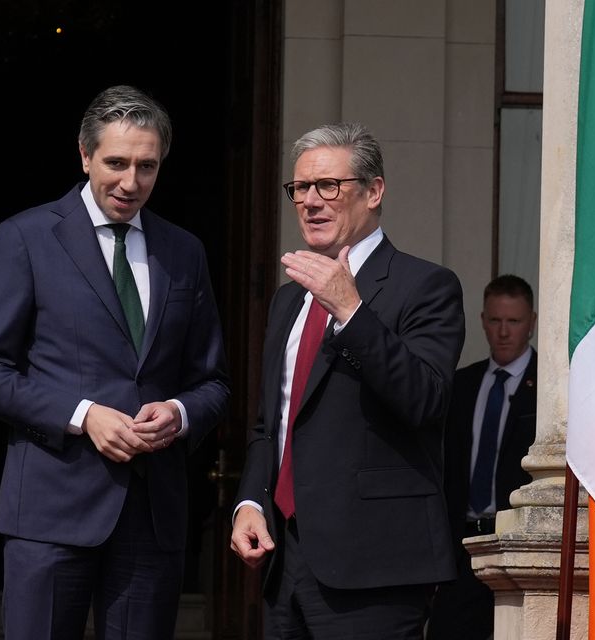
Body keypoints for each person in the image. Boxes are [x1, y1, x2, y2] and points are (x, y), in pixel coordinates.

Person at [0, 85, 230, 640]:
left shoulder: (184, 251)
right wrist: (84, 415)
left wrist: (179, 412)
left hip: (151, 518)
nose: (131, 182)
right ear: (84, 156)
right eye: (116, 163)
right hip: (50, 511)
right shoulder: (27, 238)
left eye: (147, 166)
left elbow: (213, 381)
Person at [230, 122, 465, 639]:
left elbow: (424, 399)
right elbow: (274, 423)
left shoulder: (426, 286)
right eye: (300, 189)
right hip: (285, 563)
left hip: (375, 568)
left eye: (328, 186)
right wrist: (250, 502)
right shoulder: (288, 298)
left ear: (374, 191)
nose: (311, 201)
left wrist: (351, 311)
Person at [427, 274, 538, 640]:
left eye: (514, 321)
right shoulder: (461, 384)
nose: (503, 332)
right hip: (463, 548)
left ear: (532, 323)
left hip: (519, 545)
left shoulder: (550, 386)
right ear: (483, 321)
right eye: (495, 320)